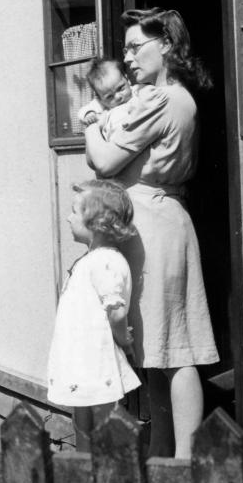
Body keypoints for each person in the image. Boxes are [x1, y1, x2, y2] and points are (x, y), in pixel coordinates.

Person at [83, 8, 218, 459]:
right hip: (149, 220)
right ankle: (167, 458)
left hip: (156, 225)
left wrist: (90, 129)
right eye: (125, 48)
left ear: (167, 45)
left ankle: (184, 466)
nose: (128, 57)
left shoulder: (165, 100)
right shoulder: (153, 96)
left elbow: (102, 161)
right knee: (155, 348)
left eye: (136, 46)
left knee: (174, 348)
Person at [47, 179, 141, 443]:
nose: (68, 217)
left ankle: (114, 471)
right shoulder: (92, 260)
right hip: (82, 358)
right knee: (83, 423)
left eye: (75, 211)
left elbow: (117, 312)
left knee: (106, 422)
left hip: (97, 360)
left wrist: (124, 340)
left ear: (98, 224)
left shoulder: (107, 261)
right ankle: (86, 472)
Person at [77, 57, 135, 136]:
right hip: (114, 141)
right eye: (109, 96)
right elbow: (83, 111)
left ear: (127, 79)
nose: (118, 97)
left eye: (120, 88)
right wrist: (90, 115)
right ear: (100, 99)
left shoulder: (137, 91)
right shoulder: (102, 104)